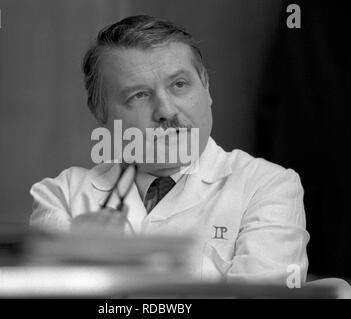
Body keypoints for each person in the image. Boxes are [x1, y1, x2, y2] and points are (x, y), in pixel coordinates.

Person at [29, 15, 309, 284]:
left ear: (206, 87)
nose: (165, 110)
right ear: (100, 112)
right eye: (138, 95)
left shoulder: (268, 186)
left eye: (179, 85)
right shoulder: (62, 196)